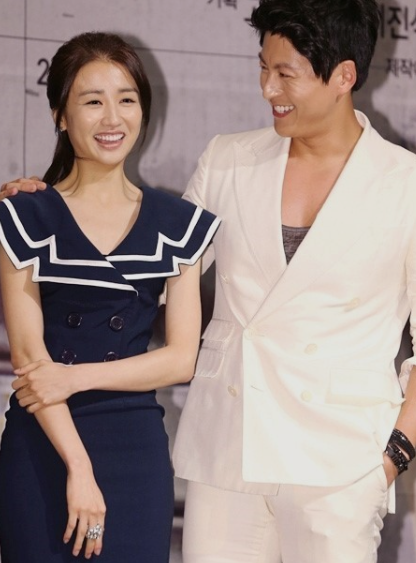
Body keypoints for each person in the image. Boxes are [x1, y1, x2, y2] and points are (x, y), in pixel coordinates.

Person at [4, 1, 416, 562]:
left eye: (285, 73)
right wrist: (44, 211)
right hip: (227, 453)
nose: (268, 89)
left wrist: (392, 457)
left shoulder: (404, 185)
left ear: (343, 76)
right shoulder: (227, 159)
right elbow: (140, 260)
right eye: (263, 68)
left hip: (340, 465)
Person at [0, 31, 219, 563]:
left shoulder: (177, 224)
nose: (112, 118)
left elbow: (180, 359)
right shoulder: (24, 215)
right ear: (60, 115)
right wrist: (78, 467)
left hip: (133, 449)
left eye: (126, 100)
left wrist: (74, 377)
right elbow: (29, 356)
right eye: (92, 102)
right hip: (43, 445)